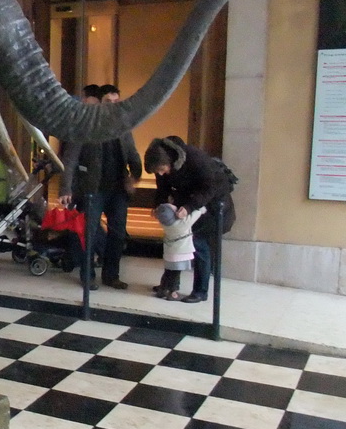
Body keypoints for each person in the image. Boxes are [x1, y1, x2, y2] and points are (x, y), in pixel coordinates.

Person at [58, 83, 141, 290]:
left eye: (116, 101)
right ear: (100, 102)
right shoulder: (86, 126)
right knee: (89, 233)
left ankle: (111, 275)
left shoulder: (122, 127)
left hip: (118, 191)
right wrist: (66, 189)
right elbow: (70, 160)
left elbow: (133, 155)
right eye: (108, 101)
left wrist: (136, 176)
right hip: (92, 190)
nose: (113, 105)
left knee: (118, 233)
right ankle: (88, 276)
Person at [144, 136, 236, 303]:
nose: (160, 173)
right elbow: (162, 189)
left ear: (169, 161)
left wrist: (190, 207)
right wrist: (158, 206)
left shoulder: (195, 158)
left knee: (199, 244)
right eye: (157, 171)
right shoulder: (164, 166)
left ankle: (200, 291)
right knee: (177, 242)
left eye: (162, 169)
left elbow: (210, 187)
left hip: (213, 207)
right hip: (189, 205)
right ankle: (170, 285)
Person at [154, 202, 206, 300]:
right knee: (175, 274)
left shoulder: (164, 223)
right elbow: (193, 216)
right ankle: (172, 293)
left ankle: (163, 289)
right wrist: (201, 209)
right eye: (174, 209)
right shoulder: (182, 224)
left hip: (169, 254)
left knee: (168, 272)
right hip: (180, 255)